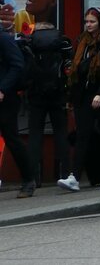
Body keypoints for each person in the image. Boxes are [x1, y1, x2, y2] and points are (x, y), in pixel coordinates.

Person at [57, 8, 100, 192]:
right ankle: (75, 177)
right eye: (86, 21)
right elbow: (76, 70)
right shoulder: (82, 42)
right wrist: (71, 96)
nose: (88, 25)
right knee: (82, 135)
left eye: (92, 22)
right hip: (84, 95)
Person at [23, 0, 71, 188]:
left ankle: (34, 177)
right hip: (57, 92)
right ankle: (64, 172)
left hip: (36, 93)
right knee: (61, 132)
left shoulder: (30, 39)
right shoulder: (59, 38)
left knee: (34, 135)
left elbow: (26, 66)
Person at [0, 27, 37, 197]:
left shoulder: (4, 39)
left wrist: (3, 88)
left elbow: (17, 65)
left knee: (12, 138)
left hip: (5, 99)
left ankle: (29, 180)